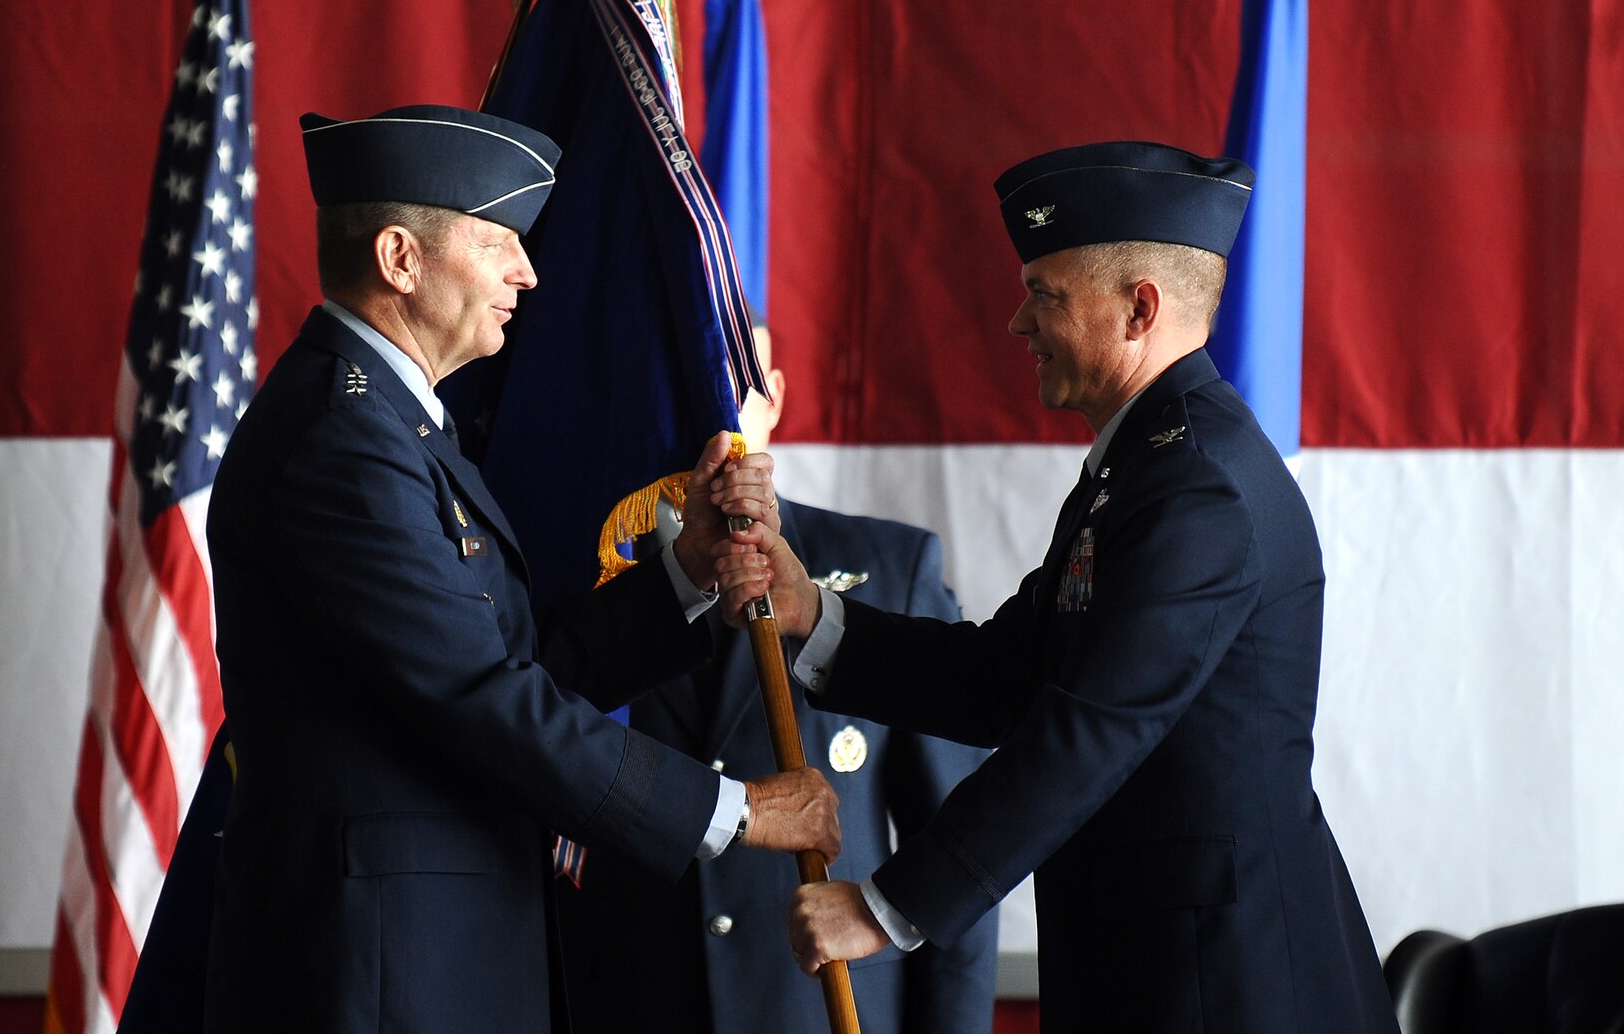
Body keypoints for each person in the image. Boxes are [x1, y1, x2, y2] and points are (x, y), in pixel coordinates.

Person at [715, 141, 1399, 1033]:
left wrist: (884, 905)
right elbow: (1009, 673)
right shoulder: (1149, 466)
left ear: (1137, 308)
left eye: (1044, 294)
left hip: (1225, 985)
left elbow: (1087, 732)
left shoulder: (1198, 486)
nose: (1016, 323)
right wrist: (815, 615)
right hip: (1158, 967)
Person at [202, 104, 841, 1034]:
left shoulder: (392, 422)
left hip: (436, 956)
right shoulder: (342, 440)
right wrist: (735, 810)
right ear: (399, 258)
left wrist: (684, 571)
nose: (528, 271)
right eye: (500, 240)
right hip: (378, 977)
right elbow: (480, 697)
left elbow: (516, 662)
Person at [558, 324, 999, 1034]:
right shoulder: (587, 583)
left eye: (736, 380)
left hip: (820, 1010)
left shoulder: (888, 568)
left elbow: (957, 839)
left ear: (777, 396)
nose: (715, 410)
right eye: (690, 382)